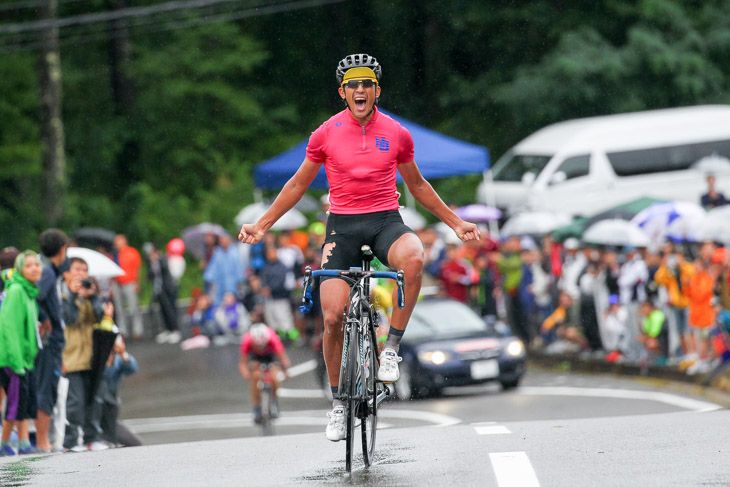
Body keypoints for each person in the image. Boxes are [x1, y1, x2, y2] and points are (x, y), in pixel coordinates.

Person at [238, 53, 479, 442]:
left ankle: (391, 349)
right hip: (342, 227)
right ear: (343, 93)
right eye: (353, 84)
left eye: (367, 83)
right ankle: (338, 403)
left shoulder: (398, 133)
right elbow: (298, 185)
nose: (360, 89)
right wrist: (262, 225)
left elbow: (416, 186)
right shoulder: (325, 133)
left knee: (414, 257)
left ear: (377, 90)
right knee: (332, 317)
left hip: (386, 219)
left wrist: (456, 222)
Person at [61, 257, 115, 452]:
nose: (81, 274)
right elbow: (70, 318)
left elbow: (100, 317)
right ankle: (71, 441)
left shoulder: (87, 294)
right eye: (77, 269)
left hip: (91, 357)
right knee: (74, 403)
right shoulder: (62, 295)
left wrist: (91, 297)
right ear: (66, 273)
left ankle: (92, 438)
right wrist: (74, 295)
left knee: (94, 400)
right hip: (71, 357)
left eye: (84, 269)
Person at [0, 251, 43, 456]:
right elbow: (8, 326)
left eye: (37, 264)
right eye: (29, 265)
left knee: (22, 401)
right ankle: (5, 443)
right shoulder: (16, 290)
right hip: (12, 358)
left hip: (24, 359)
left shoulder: (29, 291)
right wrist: (17, 361)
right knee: (15, 402)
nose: (35, 268)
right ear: (20, 270)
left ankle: (21, 442)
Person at [34, 229, 69, 452]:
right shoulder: (47, 273)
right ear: (63, 248)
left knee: (46, 389)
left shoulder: (46, 270)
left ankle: (44, 440)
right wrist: (45, 318)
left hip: (49, 343)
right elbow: (34, 297)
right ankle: (42, 442)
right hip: (49, 343)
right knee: (46, 390)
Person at [92, 335, 142, 447]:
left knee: (135, 442)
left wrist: (122, 353)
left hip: (110, 414)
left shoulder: (118, 359)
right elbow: (102, 374)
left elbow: (132, 369)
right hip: (95, 414)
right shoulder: (96, 357)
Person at [238, 323, 291, 424]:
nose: (260, 347)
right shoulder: (247, 340)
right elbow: (243, 363)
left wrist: (285, 371)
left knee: (274, 378)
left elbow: (283, 358)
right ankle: (256, 408)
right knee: (255, 377)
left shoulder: (273, 338)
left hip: (271, 356)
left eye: (262, 345)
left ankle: (274, 402)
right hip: (255, 358)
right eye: (257, 345)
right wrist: (246, 374)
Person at [144, 243, 182, 344]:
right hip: (159, 289)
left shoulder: (163, 258)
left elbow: (165, 270)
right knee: (163, 310)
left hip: (168, 288)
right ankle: (167, 329)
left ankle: (175, 330)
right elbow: (152, 274)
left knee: (171, 309)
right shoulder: (150, 261)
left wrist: (157, 260)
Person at [111, 234, 143, 340]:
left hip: (129, 282)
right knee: (120, 309)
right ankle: (123, 331)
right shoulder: (115, 254)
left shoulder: (132, 252)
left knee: (133, 307)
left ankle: (137, 330)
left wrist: (137, 283)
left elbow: (137, 268)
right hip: (117, 283)